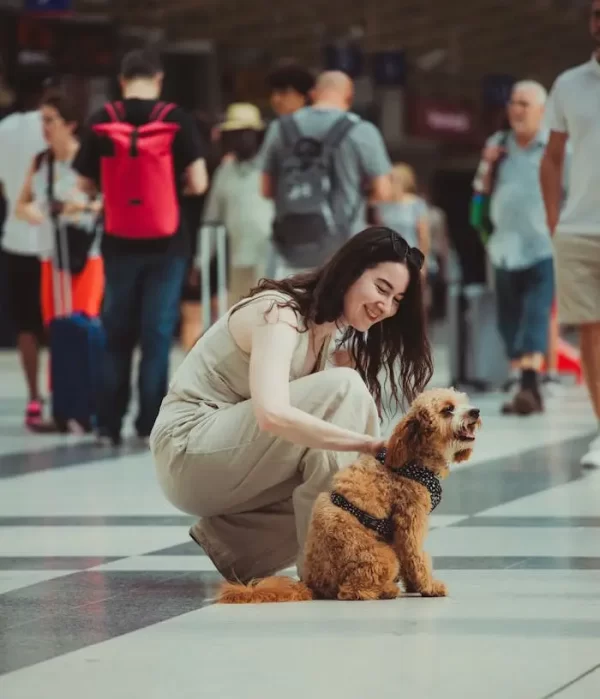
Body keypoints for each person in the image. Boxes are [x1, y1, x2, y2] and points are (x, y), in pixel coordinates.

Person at [150, 226, 432, 583]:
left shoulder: (326, 335)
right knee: (346, 393)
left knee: (334, 449)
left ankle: (242, 546)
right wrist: (366, 443)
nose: (386, 306)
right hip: (187, 450)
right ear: (350, 271)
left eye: (397, 300)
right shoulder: (279, 314)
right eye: (381, 288)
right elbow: (271, 414)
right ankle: (332, 565)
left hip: (222, 461)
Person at [74, 48, 208, 446]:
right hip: (168, 243)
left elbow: (82, 184)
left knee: (116, 332)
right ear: (159, 78)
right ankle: (149, 422)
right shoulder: (175, 119)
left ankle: (108, 422)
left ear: (121, 80)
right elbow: (199, 182)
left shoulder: (103, 120)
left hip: (118, 241)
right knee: (156, 333)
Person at [476, 80, 564, 415]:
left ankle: (530, 383)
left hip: (544, 247)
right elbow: (480, 192)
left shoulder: (556, 148)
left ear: (542, 111)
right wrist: (487, 164)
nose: (516, 109)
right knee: (509, 321)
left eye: (525, 103)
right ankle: (525, 384)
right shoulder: (497, 144)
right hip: (503, 248)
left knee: (535, 315)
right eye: (513, 102)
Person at [541, 0, 600, 466]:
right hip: (580, 230)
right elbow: (553, 156)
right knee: (591, 333)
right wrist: (554, 220)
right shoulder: (568, 84)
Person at [260, 70, 393, 277]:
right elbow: (384, 191)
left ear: (312, 94)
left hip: (289, 251)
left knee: (286, 306)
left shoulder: (280, 128)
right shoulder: (362, 131)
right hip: (343, 250)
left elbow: (266, 189)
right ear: (349, 97)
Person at [15, 89, 104, 333]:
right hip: (51, 252)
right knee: (55, 328)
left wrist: (82, 207)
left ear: (70, 124)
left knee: (83, 323)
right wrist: (37, 213)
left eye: (50, 120)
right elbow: (20, 207)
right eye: (41, 120)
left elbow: (105, 202)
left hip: (85, 252)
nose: (44, 126)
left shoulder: (88, 159)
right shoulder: (41, 161)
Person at [0, 66, 49, 428]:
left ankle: (34, 398)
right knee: (62, 322)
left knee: (27, 325)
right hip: (55, 243)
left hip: (15, 239)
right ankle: (65, 394)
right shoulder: (54, 127)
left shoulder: (3, 130)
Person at [199, 102, 274, 307]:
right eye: (233, 134)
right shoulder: (225, 171)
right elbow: (211, 219)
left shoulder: (270, 168)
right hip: (237, 259)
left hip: (269, 257)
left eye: (244, 133)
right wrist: (201, 262)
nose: (238, 139)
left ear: (256, 135)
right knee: (240, 313)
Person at [373, 163, 430, 257]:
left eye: (392, 179)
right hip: (387, 256)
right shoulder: (381, 204)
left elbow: (424, 238)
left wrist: (423, 263)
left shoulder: (416, 204)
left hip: (410, 256)